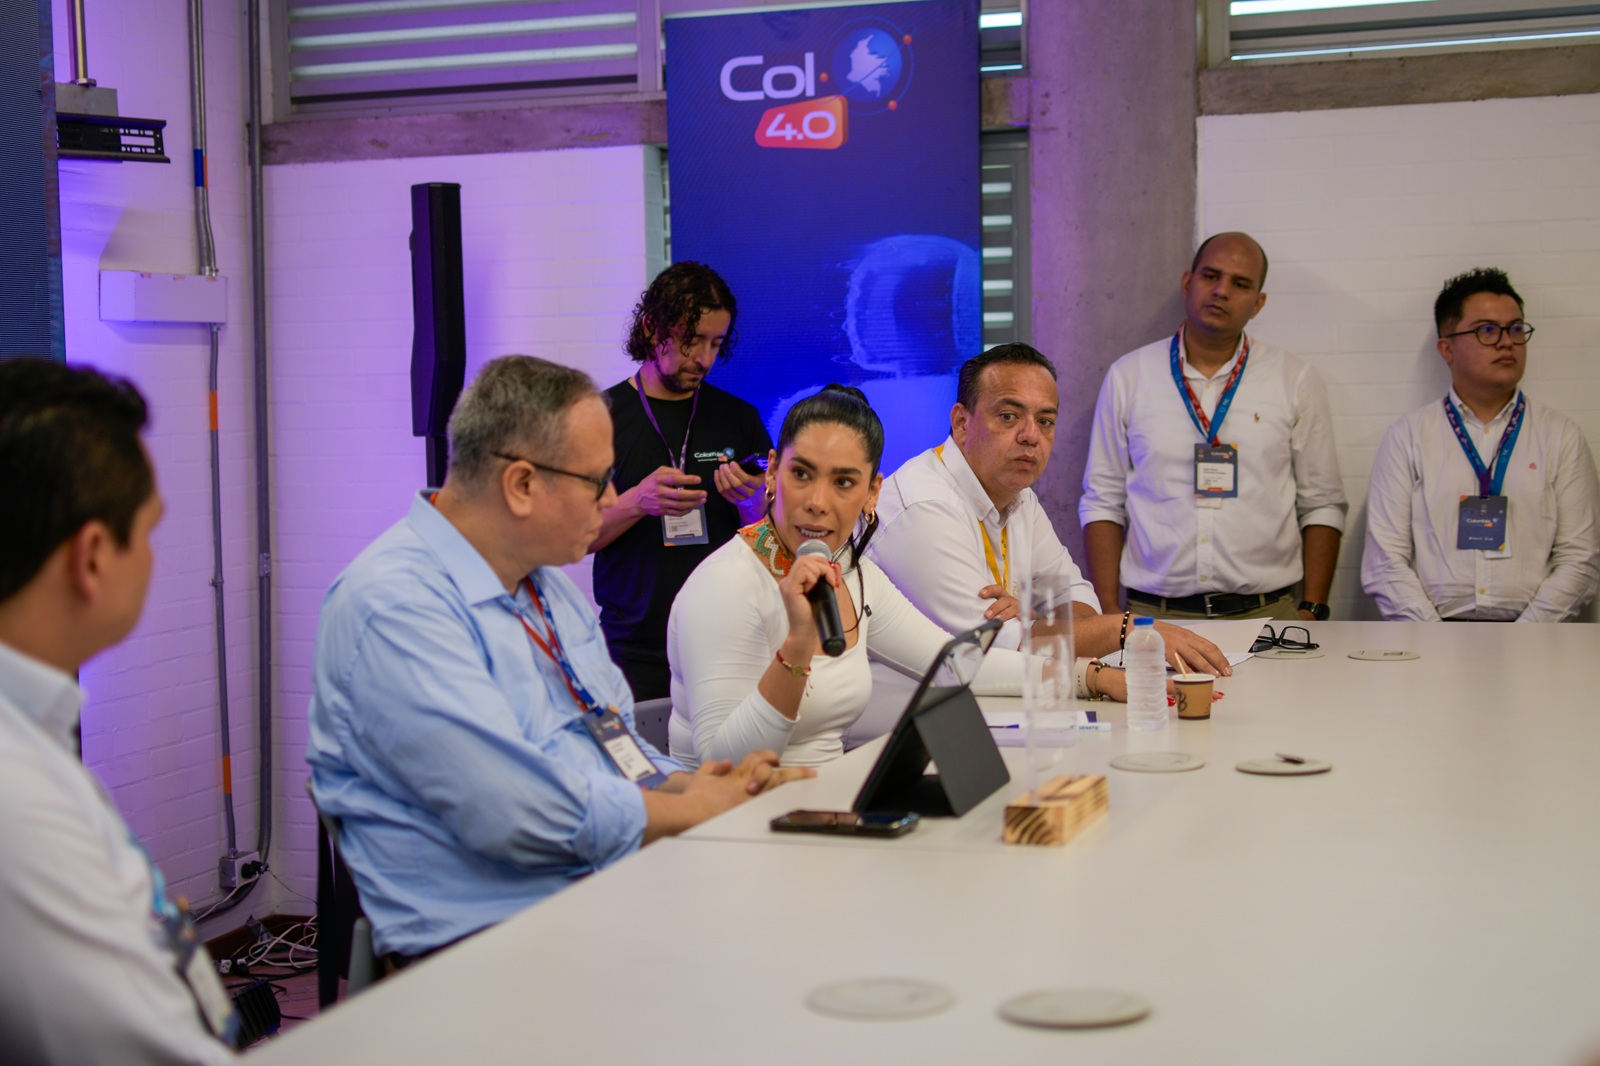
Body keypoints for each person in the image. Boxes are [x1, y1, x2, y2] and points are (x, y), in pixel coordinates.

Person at [307, 356, 810, 960]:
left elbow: (610, 743)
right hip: (482, 948)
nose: (613, 499)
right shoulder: (395, 606)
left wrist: (696, 785)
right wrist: (692, 809)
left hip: (599, 901)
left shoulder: (545, 588)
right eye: (598, 481)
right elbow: (508, 811)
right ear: (522, 485)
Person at [668, 386, 1131, 770]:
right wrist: (798, 646)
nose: (817, 502)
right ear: (772, 472)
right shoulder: (725, 585)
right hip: (736, 825)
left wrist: (1090, 677)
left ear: (873, 493)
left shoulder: (854, 574)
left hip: (821, 810)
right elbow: (721, 764)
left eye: (843, 482)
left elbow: (955, 663)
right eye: (802, 474)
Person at [0, 358, 236, 1064]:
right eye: (150, 530)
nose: (155, 558)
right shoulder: (19, 802)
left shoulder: (33, 731)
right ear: (94, 557)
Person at [868, 344, 1230, 676]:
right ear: (962, 423)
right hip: (901, 719)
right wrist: (1125, 628)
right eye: (1008, 416)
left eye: (1045, 421)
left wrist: (1035, 624)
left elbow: (1078, 599)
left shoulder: (1019, 497)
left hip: (991, 706)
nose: (1031, 435)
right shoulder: (924, 507)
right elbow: (1001, 651)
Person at [1080, 232, 1348, 624]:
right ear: (1187, 282)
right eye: (1210, 276)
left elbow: (1322, 503)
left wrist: (1312, 608)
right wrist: (1108, 612)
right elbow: (1103, 500)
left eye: (1240, 284)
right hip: (1153, 617)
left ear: (1258, 303)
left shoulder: (1294, 380)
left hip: (1268, 615)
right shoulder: (1130, 377)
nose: (1222, 291)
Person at [1362, 267, 1600, 621]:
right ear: (1447, 348)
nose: (1507, 342)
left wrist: (1527, 637)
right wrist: (1433, 639)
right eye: (1487, 330)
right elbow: (1384, 561)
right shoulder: (1408, 437)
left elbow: (1580, 559)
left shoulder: (1561, 435)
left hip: (1538, 636)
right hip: (1430, 633)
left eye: (1515, 328)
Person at [589, 263, 773, 701]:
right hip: (632, 651)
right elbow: (577, 538)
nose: (704, 359)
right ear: (652, 329)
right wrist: (637, 501)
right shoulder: (599, 418)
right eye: (692, 340)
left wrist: (750, 506)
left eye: (716, 343)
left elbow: (774, 542)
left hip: (726, 641)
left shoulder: (739, 418)